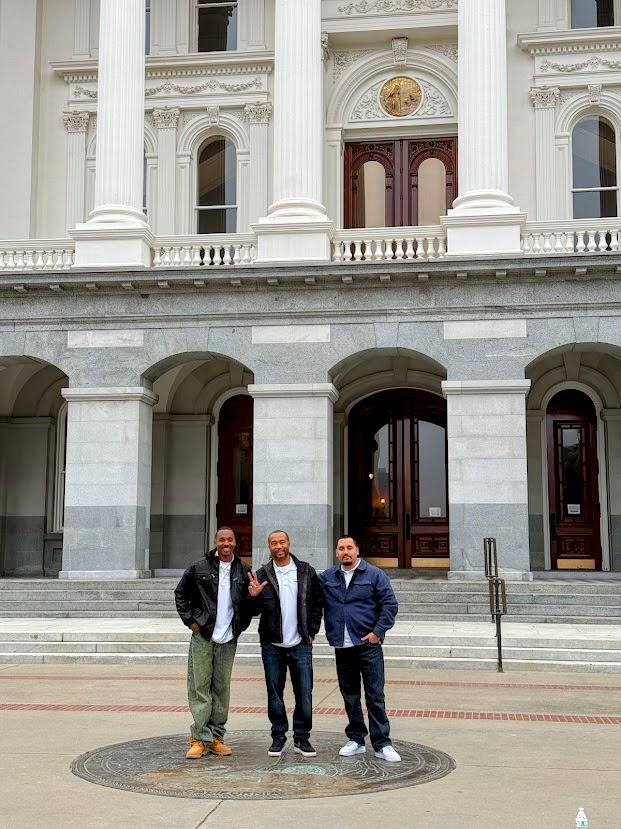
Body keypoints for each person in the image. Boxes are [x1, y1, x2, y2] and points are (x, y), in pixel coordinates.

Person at [320, 535, 401, 762]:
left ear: (357, 550)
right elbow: (310, 599)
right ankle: (356, 739)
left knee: (375, 695)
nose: (345, 552)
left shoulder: (374, 575)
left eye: (349, 547)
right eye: (341, 548)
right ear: (336, 552)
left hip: (368, 646)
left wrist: (377, 633)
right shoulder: (327, 577)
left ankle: (382, 743)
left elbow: (390, 604)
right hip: (342, 646)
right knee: (350, 695)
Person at [174, 526, 251, 759]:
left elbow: (248, 604)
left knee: (221, 689)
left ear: (235, 543)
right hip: (204, 636)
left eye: (230, 540)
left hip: (228, 639)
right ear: (216, 542)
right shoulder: (199, 567)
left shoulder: (243, 570)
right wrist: (192, 622)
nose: (226, 543)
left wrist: (240, 625)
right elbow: (181, 594)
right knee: (199, 687)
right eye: (222, 540)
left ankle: (216, 737)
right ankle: (199, 738)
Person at [248, 530, 323, 758]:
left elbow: (317, 602)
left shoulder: (306, 571)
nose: (278, 546)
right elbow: (253, 611)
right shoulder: (261, 574)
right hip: (272, 645)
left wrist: (311, 631)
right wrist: (253, 596)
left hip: (300, 643)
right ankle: (278, 736)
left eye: (282, 542)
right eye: (274, 543)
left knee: (304, 693)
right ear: (269, 546)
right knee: (274, 693)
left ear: (289, 543)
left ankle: (302, 738)